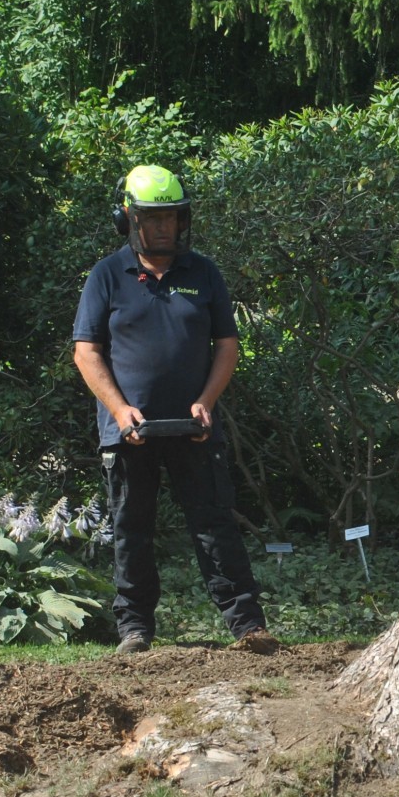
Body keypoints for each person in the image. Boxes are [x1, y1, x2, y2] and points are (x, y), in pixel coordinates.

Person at [72, 165, 275, 655]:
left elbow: (226, 344)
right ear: (129, 220)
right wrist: (121, 412)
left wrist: (205, 403)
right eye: (154, 218)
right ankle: (135, 630)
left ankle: (248, 626)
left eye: (173, 217)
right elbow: (86, 351)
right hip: (129, 433)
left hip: (195, 430)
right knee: (131, 528)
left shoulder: (203, 272)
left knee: (214, 524)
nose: (166, 227)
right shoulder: (107, 275)